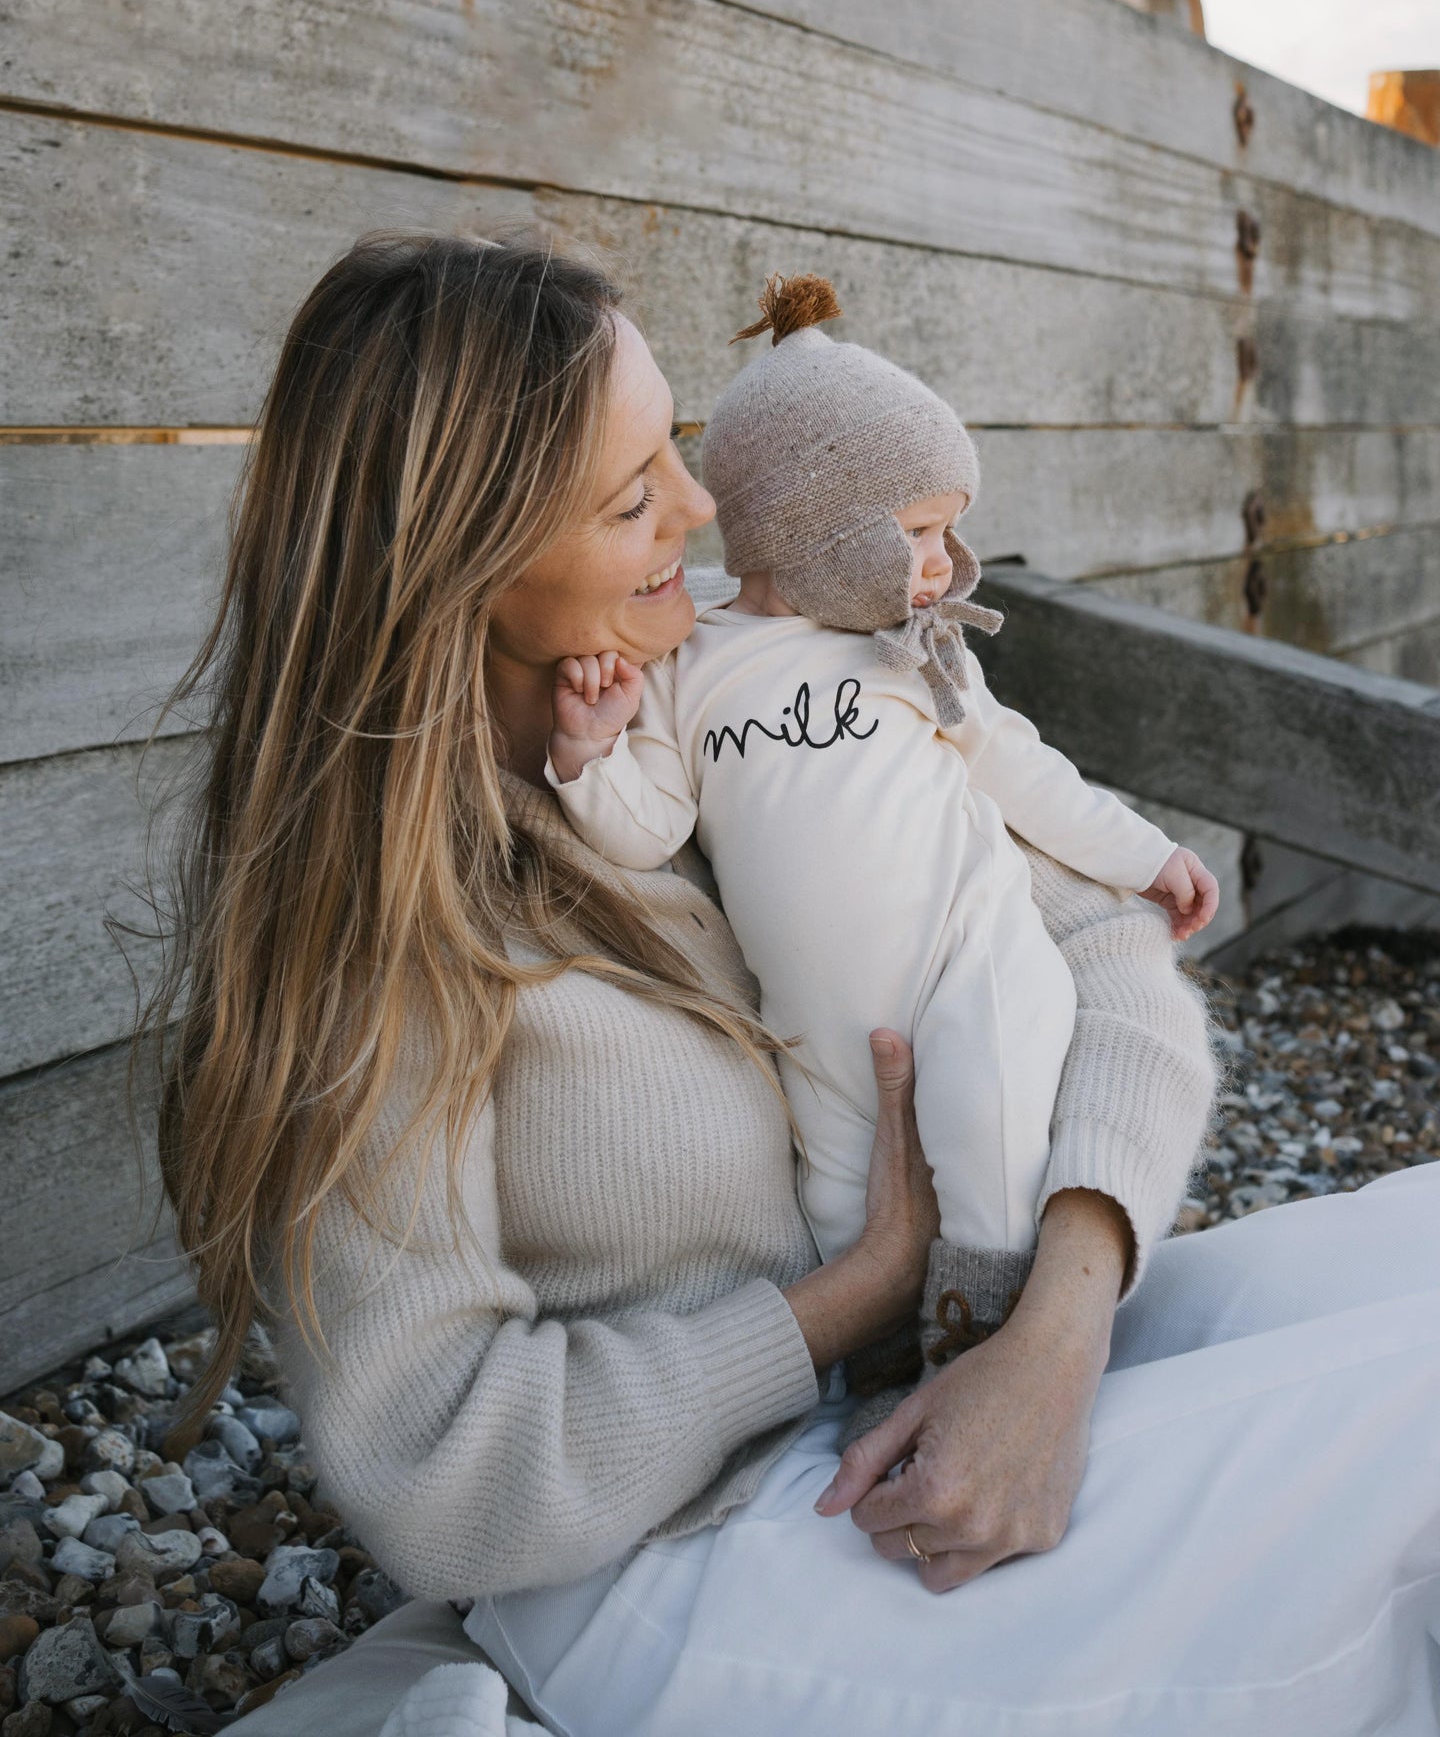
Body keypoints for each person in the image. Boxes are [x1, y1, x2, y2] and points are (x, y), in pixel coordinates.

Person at [145, 229, 1440, 1737]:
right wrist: (848, 1299)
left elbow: (1097, 938)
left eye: (677, 456)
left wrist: (1058, 1330)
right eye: (636, 497)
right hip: (713, 1556)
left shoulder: (746, 655)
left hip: (953, 1367)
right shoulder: (377, 963)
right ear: (468, 565)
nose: (701, 512)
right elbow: (448, 1470)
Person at [543, 271, 1220, 1398]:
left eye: (947, 535)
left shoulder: (916, 650)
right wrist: (589, 751)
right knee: (845, 1202)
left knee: (991, 1121)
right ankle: (884, 1383)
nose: (940, 567)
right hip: (815, 1022)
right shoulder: (687, 658)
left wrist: (1148, 857)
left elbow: (1023, 771)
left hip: (968, 954)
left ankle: (989, 1349)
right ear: (818, 525)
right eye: (916, 533)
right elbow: (643, 829)